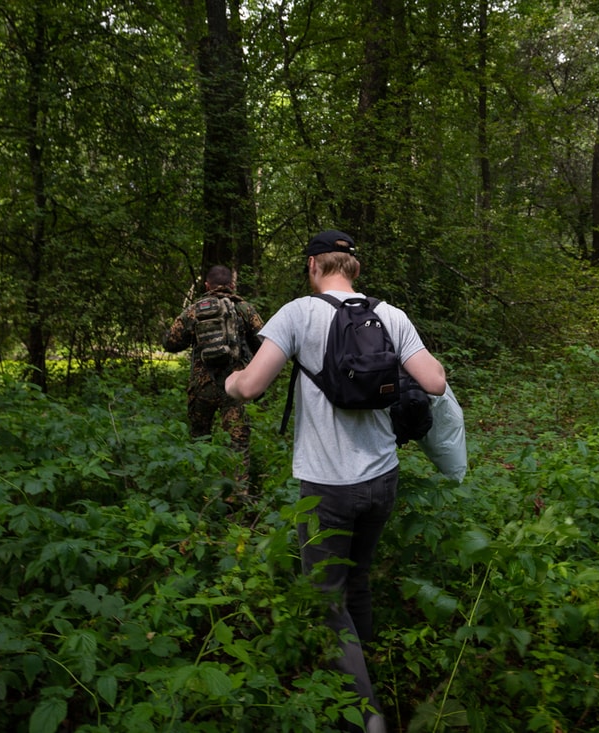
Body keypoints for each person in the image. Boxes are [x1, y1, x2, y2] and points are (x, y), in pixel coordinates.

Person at [225, 230, 446, 733]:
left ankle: (365, 717)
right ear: (354, 268)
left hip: (327, 486)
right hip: (382, 479)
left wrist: (228, 381)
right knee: (358, 581)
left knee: (327, 597)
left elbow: (251, 386)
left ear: (312, 267)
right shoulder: (391, 316)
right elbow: (434, 382)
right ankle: (362, 670)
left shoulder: (300, 314)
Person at [164, 265, 264, 492]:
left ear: (207, 285)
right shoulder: (244, 309)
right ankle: (235, 498)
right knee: (237, 441)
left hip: (202, 387)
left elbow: (170, 342)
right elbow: (265, 343)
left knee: (199, 438)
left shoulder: (194, 311)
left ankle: (200, 489)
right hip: (234, 387)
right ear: (232, 285)